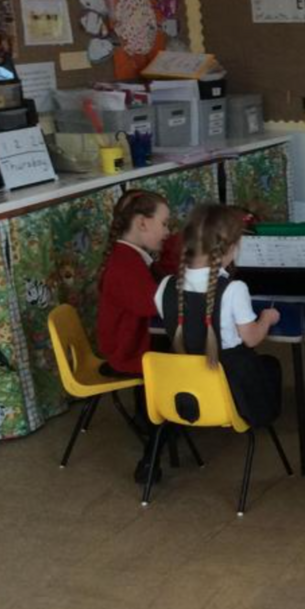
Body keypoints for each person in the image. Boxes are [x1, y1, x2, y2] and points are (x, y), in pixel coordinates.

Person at [155, 204, 283, 434]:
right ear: (232, 247)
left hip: (185, 396)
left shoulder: (165, 286)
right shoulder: (234, 289)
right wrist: (267, 318)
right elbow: (252, 339)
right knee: (270, 365)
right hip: (232, 393)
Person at [96, 189, 178, 483]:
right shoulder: (125, 263)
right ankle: (160, 434)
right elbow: (150, 304)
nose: (167, 232)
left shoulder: (131, 256)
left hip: (132, 341)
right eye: (164, 224)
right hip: (127, 350)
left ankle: (160, 418)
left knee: (180, 351)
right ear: (142, 223)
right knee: (186, 360)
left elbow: (159, 281)